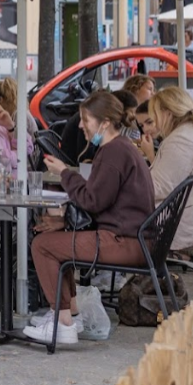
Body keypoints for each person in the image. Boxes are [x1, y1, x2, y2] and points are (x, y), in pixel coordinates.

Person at [28, 91, 155, 345]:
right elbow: (103, 203)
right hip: (134, 239)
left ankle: (63, 322)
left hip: (124, 242)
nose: (80, 125)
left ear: (105, 123)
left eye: (86, 120)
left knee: (42, 246)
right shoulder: (121, 148)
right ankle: (71, 314)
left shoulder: (113, 152)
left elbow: (92, 201)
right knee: (54, 239)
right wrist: (65, 222)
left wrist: (65, 172)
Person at [146, 88, 193, 251]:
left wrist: (128, 187)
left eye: (155, 115)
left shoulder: (181, 140)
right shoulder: (192, 132)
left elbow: (160, 187)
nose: (154, 122)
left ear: (167, 113)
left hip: (189, 225)